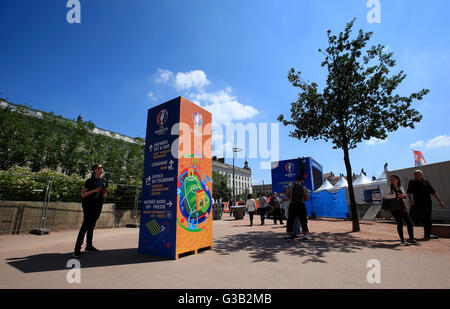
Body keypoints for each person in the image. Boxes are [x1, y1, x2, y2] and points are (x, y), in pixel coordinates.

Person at [73, 164, 108, 257]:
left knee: (92, 225)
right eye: (99, 168)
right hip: (88, 205)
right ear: (94, 170)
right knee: (85, 226)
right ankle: (76, 249)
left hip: (98, 205)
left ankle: (89, 246)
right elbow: (83, 195)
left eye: (102, 167)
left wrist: (104, 192)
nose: (102, 169)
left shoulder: (104, 181)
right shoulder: (89, 181)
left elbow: (104, 194)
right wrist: (94, 190)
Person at [407, 170, 445, 240]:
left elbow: (433, 192)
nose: (416, 175)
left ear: (422, 174)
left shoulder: (426, 182)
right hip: (417, 203)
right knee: (415, 216)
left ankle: (427, 234)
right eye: (415, 174)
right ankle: (422, 230)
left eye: (418, 174)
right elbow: (409, 193)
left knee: (428, 219)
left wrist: (440, 201)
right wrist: (411, 201)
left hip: (427, 203)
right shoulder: (412, 182)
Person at [388, 175, 417, 245]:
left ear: (397, 180)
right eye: (391, 180)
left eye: (394, 179)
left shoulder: (400, 187)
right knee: (400, 223)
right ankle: (402, 239)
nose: (392, 181)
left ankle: (412, 238)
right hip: (394, 208)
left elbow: (404, 196)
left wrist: (403, 196)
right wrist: (396, 195)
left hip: (402, 207)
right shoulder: (389, 188)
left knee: (409, 223)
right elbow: (386, 196)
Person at [286, 176, 310, 241]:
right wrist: (302, 199)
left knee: (290, 220)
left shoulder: (290, 185)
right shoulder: (304, 187)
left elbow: (287, 194)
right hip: (301, 205)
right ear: (301, 180)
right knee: (303, 220)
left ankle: (288, 235)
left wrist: (290, 198)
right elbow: (307, 198)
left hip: (292, 204)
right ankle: (305, 236)